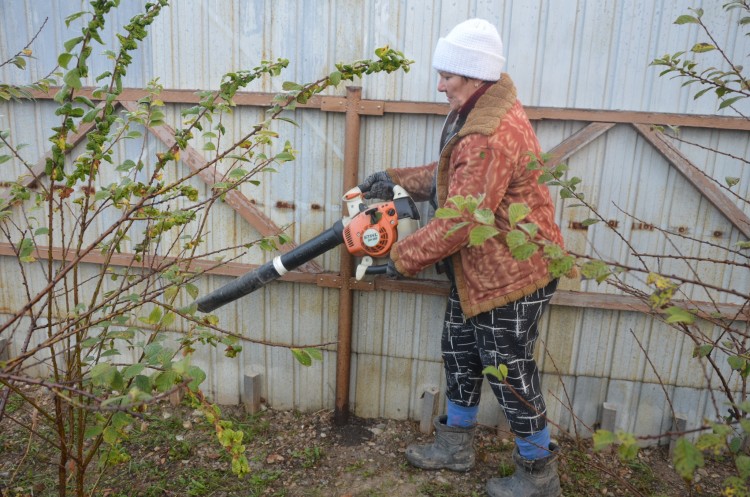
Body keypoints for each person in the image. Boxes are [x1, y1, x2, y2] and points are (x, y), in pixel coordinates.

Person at [357, 18, 565, 497]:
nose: (439, 84)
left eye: (447, 75)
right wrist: (396, 177)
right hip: (479, 271)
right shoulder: (477, 112)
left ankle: (539, 476)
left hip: (510, 276)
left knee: (511, 374)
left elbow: (462, 220)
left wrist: (403, 257)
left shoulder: (487, 132)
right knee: (460, 352)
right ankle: (455, 446)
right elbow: (455, 178)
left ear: (473, 75)